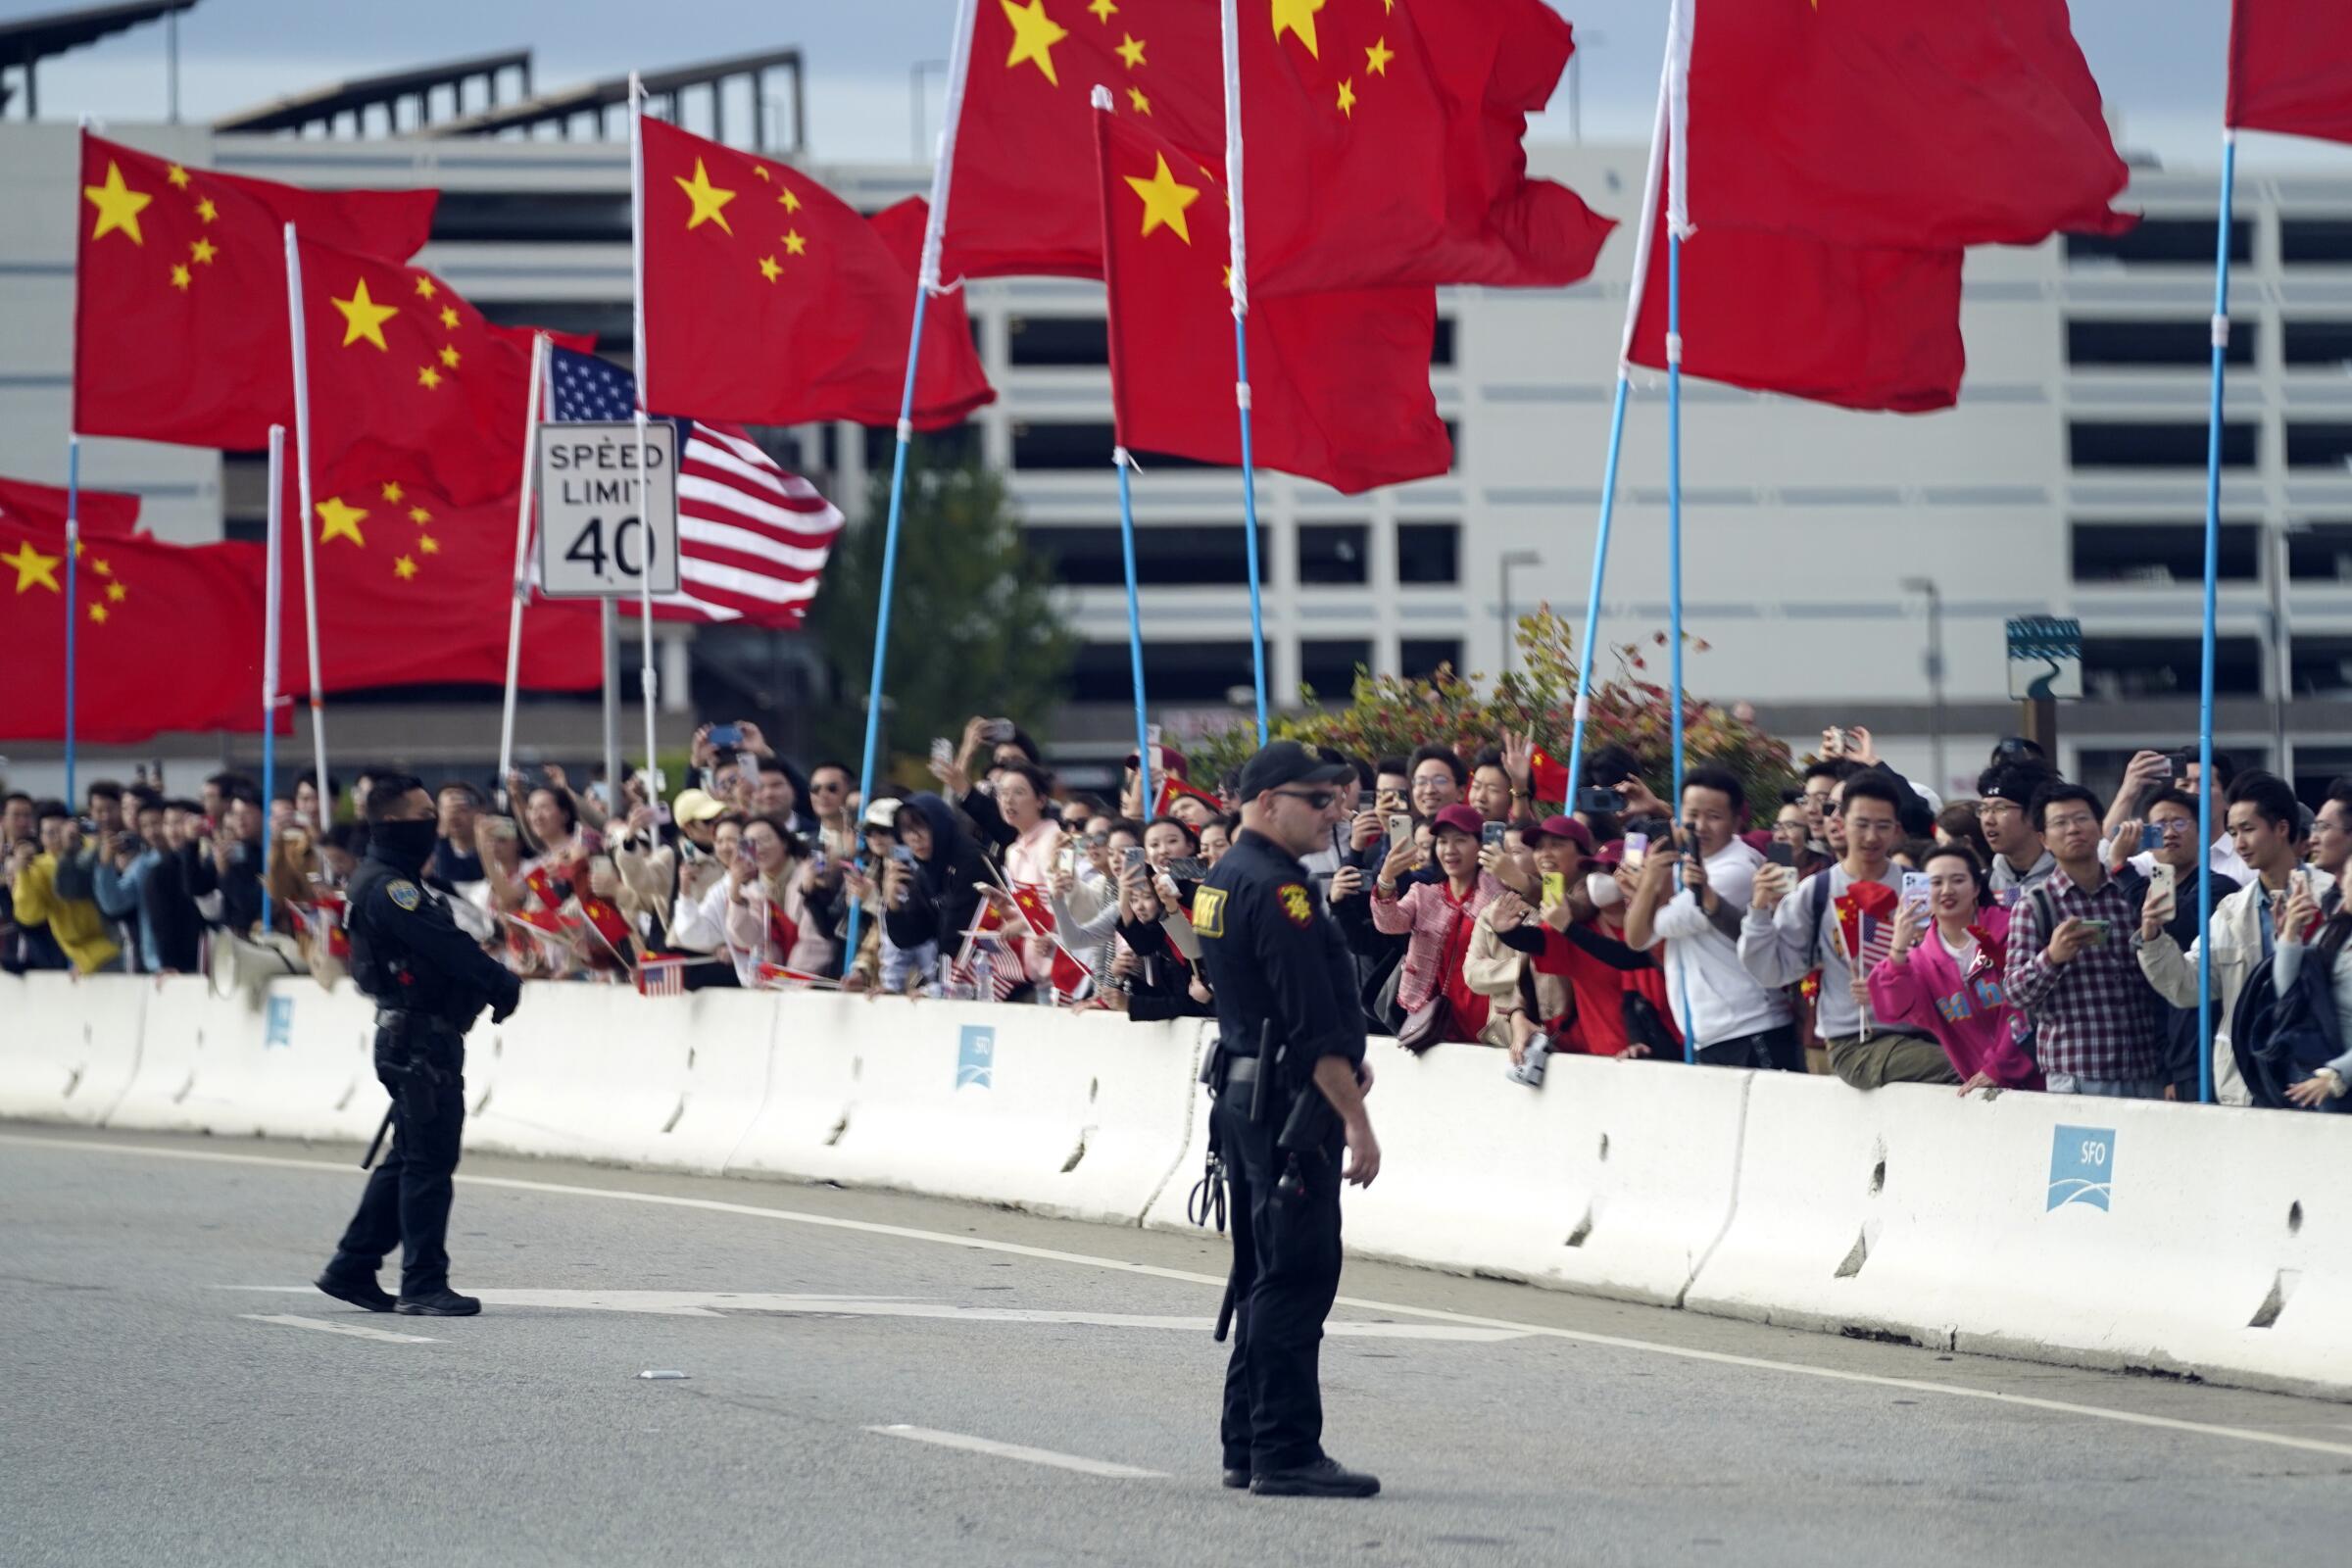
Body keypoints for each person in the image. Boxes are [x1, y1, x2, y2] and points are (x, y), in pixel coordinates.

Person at [1192, 741, 1381, 1498]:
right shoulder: (1279, 892)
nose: (1331, 811)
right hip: (1287, 1108)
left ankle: (1247, 1442)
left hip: (1245, 1099)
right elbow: (1310, 1030)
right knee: (1296, 1276)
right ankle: (1285, 1448)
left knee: (1262, 1272)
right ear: (1268, 801)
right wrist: (1358, 1122)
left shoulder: (1223, 878)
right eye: (1317, 798)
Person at [316, 776, 521, 1318]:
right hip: (416, 1038)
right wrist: (500, 980)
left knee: (411, 1156)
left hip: (419, 1035)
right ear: (391, 823)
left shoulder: (394, 879)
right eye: (423, 813)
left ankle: (353, 1266)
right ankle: (423, 1282)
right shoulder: (388, 886)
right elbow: (444, 945)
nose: (433, 823)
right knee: (429, 1162)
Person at [2134, 769, 2328, 1106]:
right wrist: (2152, 938)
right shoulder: (2231, 911)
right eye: (2234, 831)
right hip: (2249, 1077)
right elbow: (2187, 985)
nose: (2238, 843)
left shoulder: (2332, 897)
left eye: (2248, 830)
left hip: (2320, 1073)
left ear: (2282, 828)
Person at [1743, 773, 1950, 1086]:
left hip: (1923, 1032)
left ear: (1896, 830)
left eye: (1882, 826)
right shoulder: (1816, 891)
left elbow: (1946, 964)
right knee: (1962, 1066)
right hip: (1856, 1042)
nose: (1871, 837)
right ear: (1840, 823)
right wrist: (1759, 909)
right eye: (1862, 824)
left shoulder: (1917, 885)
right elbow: (1772, 970)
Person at [1626, 766, 1799, 1071]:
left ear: (1736, 821)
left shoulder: (1736, 870)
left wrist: (1650, 883)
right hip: (1711, 1034)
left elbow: (1639, 936)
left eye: (1714, 817)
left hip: (1752, 1029)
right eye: (1692, 814)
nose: (1700, 826)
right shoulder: (1686, 864)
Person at [2006, 781, 2166, 1098]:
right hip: (2076, 1071)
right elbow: (2014, 993)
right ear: (2044, 839)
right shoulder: (2035, 905)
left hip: (2145, 1067)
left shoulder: (2133, 890)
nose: (2073, 829)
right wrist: (2051, 957)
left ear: (2099, 826)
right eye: (2060, 823)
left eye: (2081, 819)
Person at [1867, 844, 2041, 1094]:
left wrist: (1997, 1068)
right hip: (1981, 1091)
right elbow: (1895, 1008)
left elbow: (2025, 1009)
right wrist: (1897, 951)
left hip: (2044, 1079)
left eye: (1958, 880)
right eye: (1935, 882)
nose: (1947, 890)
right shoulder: (1919, 962)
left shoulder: (2012, 932)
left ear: (1976, 888)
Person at [1370, 803, 1503, 1048]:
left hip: (1486, 1021)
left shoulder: (1495, 893)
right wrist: (1386, 879)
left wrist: (1491, 874)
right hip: (1433, 1021)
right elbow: (1388, 923)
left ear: (1480, 845)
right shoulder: (1424, 894)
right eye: (1442, 841)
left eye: (1460, 840)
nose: (1450, 849)